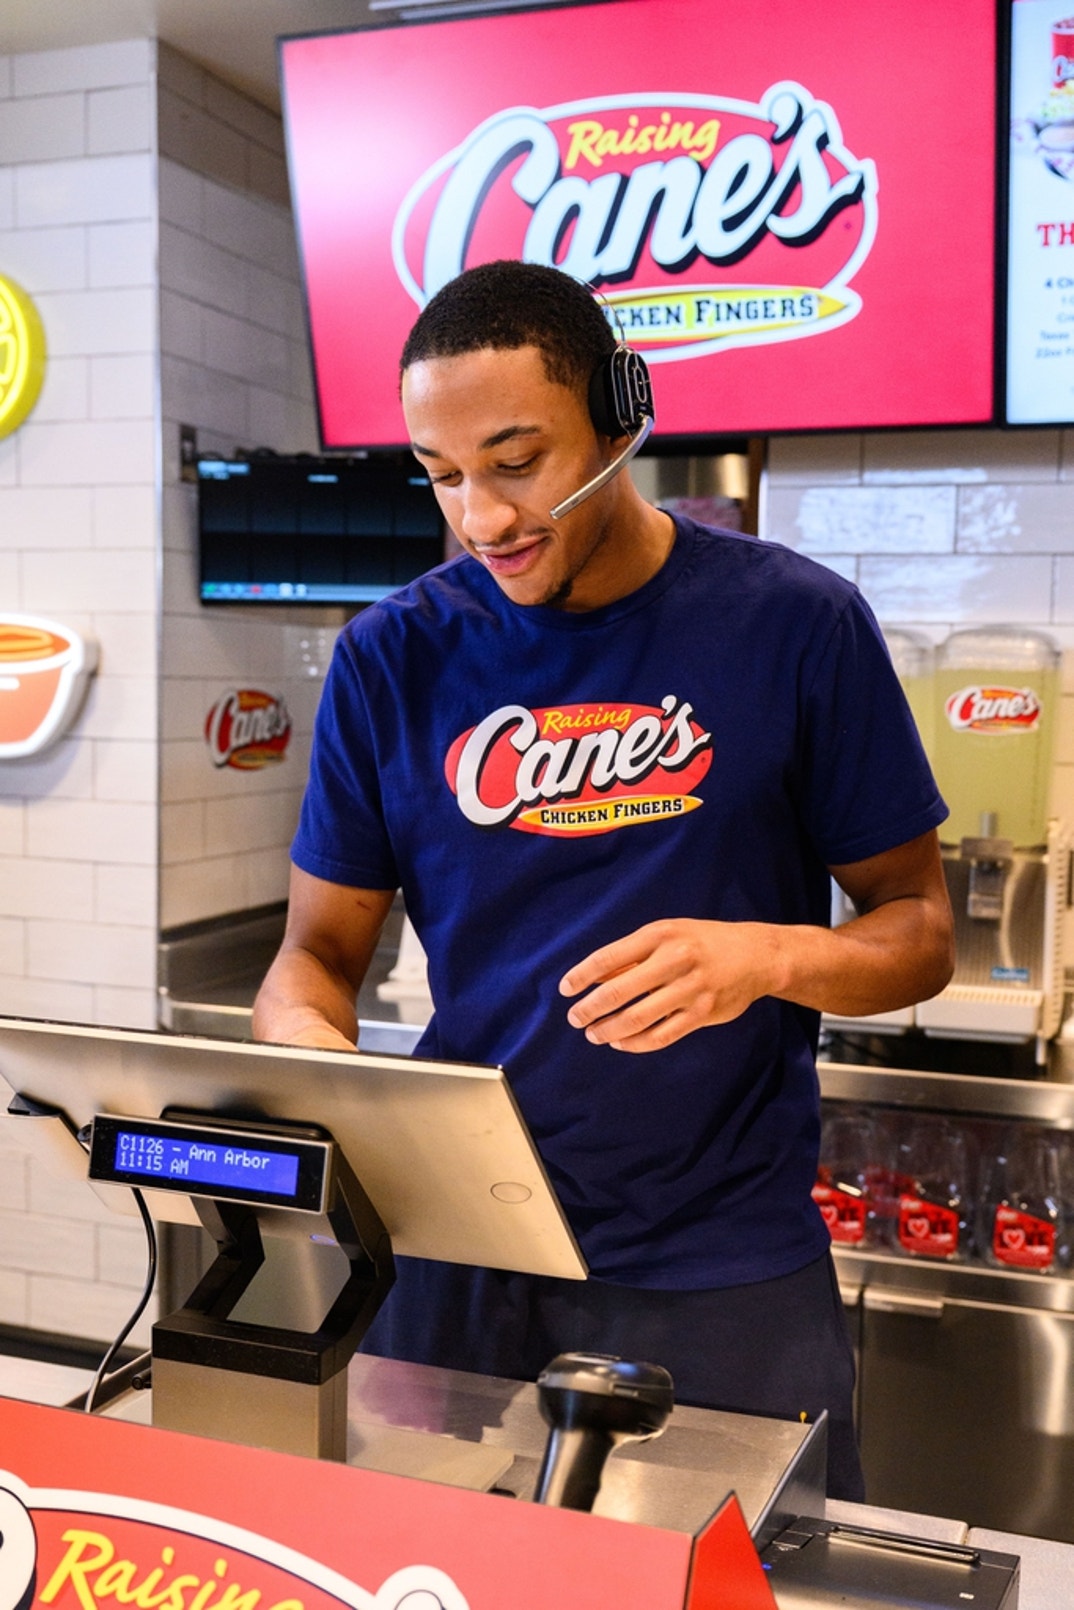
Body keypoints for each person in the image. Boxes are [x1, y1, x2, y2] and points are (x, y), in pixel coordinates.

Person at [253, 259, 954, 1500]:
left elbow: (917, 929)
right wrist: (325, 1065)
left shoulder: (798, 625)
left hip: (722, 1261)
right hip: (458, 1247)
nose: (482, 517)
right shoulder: (389, 659)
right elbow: (315, 956)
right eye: (443, 474)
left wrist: (768, 956)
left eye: (517, 461)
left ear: (622, 419)